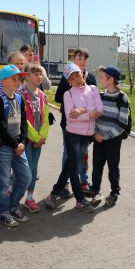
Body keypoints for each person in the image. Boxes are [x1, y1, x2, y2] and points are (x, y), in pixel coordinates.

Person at [45, 63, 102, 213]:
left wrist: (82, 110)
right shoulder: (67, 94)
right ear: (68, 82)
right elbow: (71, 118)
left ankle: (54, 193)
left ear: (82, 73)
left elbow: (100, 109)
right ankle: (80, 199)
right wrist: (91, 113)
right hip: (73, 135)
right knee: (74, 165)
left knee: (71, 164)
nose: (76, 79)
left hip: (87, 135)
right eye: (72, 78)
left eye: (77, 74)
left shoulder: (93, 89)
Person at [0, 64, 31, 227]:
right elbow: (0, 127)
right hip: (4, 148)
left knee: (26, 177)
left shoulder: (19, 98)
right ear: (4, 80)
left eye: (19, 78)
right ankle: (3, 211)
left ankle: (13, 206)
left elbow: (24, 123)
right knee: (4, 181)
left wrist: (23, 142)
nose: (17, 81)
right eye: (14, 79)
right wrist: (15, 144)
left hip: (18, 146)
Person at [54, 48, 97, 197]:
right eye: (79, 59)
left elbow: (95, 102)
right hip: (70, 124)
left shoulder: (91, 78)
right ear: (74, 61)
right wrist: (74, 103)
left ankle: (83, 182)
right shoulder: (67, 78)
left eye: (85, 59)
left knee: (83, 154)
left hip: (87, 126)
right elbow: (58, 97)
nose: (82, 62)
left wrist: (84, 108)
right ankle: (65, 185)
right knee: (68, 154)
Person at [90, 66, 130, 207]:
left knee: (113, 167)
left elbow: (122, 123)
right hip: (98, 138)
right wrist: (95, 133)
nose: (100, 79)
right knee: (97, 167)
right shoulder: (100, 96)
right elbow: (94, 117)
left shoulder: (122, 98)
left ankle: (114, 192)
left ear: (111, 79)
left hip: (113, 140)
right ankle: (95, 191)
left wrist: (105, 136)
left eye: (103, 77)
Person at [20, 63, 49, 213]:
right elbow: (23, 120)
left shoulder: (42, 95)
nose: (39, 76)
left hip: (39, 141)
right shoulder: (22, 94)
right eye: (36, 74)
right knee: (27, 170)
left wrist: (42, 137)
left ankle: (29, 198)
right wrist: (36, 137)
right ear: (27, 76)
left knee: (34, 168)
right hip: (27, 139)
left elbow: (46, 120)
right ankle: (12, 193)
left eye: (40, 74)